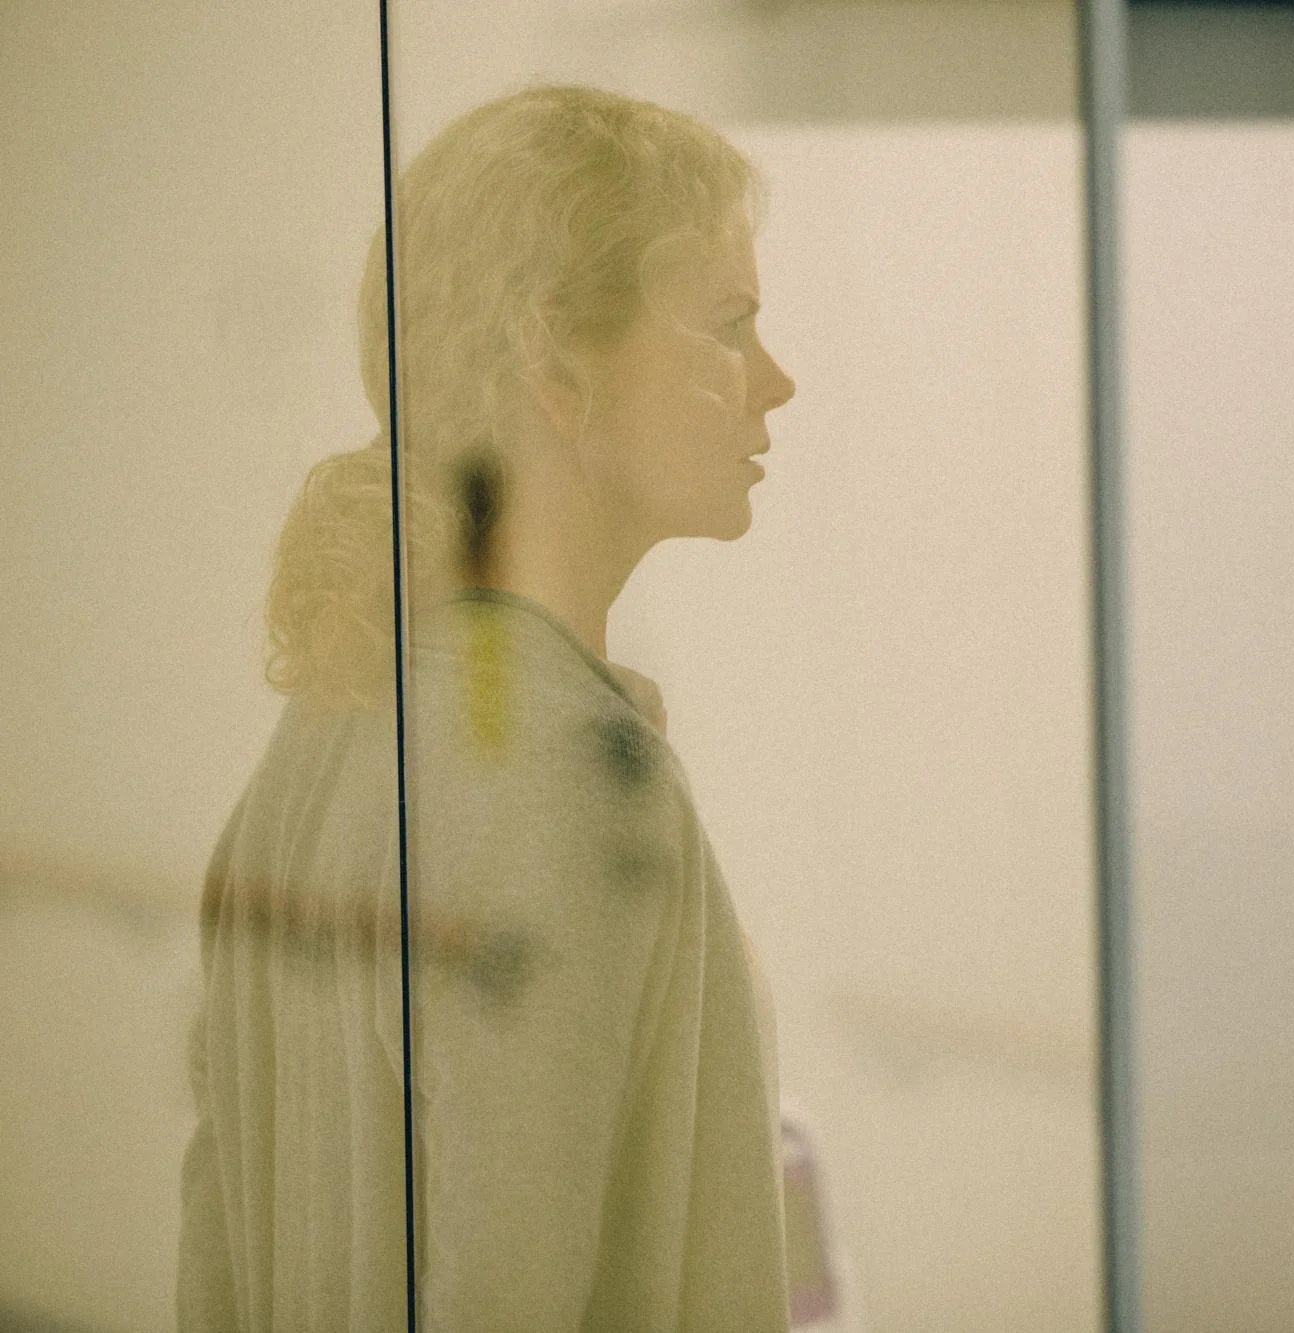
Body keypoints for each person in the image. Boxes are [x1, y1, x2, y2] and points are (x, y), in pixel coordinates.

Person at [177, 86, 797, 1331]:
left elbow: (213, 1275)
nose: (775, 383)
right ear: (555, 364)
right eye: (728, 327)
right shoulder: (561, 775)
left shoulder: (327, 735)